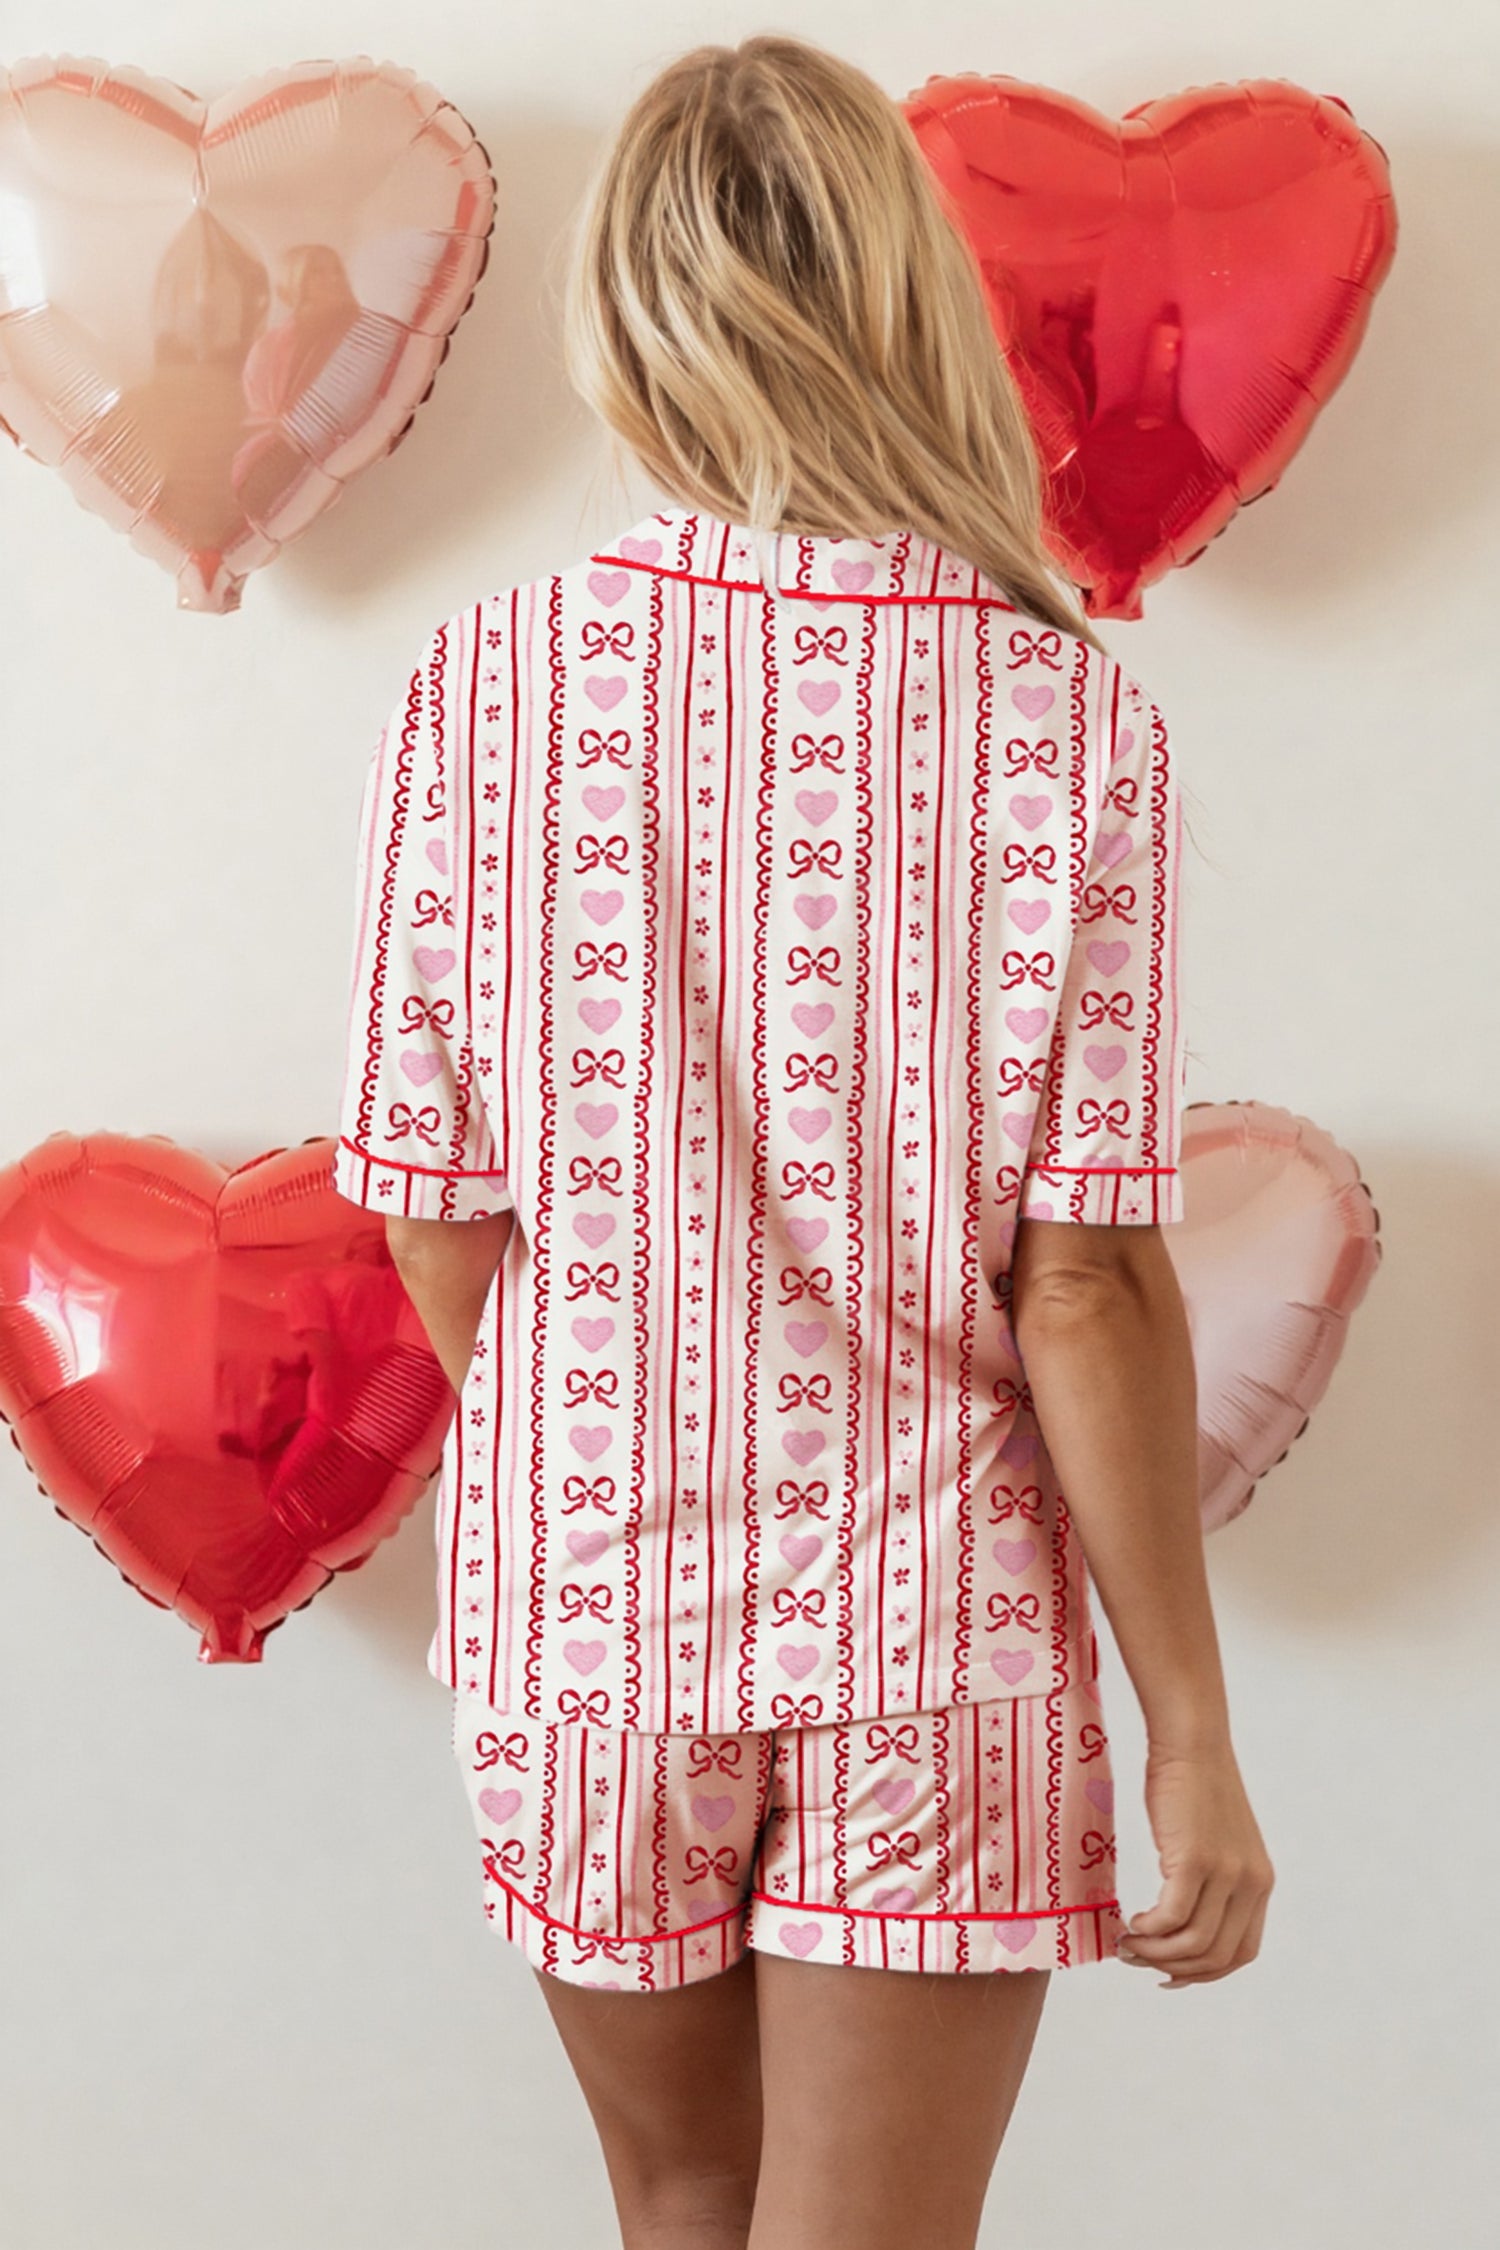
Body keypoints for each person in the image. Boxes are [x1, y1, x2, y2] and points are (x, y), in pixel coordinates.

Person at [332, 33, 1273, 2250]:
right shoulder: (1067, 714)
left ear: (622, 312)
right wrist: (1191, 1729)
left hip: (590, 1617)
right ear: (908, 297)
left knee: (681, 2197)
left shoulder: (494, 679)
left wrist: (594, 1469)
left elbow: (432, 1206)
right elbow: (1084, 1278)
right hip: (937, 1632)